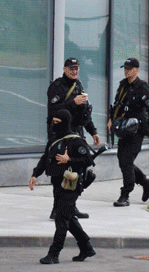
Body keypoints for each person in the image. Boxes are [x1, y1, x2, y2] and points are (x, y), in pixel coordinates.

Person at [29, 109, 96, 264]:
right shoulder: (53, 139)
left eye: (58, 122)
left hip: (71, 186)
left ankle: (54, 254)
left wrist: (69, 160)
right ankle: (86, 247)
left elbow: (88, 160)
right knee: (68, 217)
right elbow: (45, 158)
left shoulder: (75, 140)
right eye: (54, 121)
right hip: (58, 184)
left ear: (65, 122)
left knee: (61, 219)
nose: (54, 124)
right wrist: (35, 174)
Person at [46, 57, 100, 219]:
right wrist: (72, 102)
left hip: (77, 133)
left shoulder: (79, 86)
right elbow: (54, 110)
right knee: (59, 171)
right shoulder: (56, 87)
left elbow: (84, 113)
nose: (74, 71)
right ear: (64, 69)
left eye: (77, 68)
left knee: (78, 170)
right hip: (60, 134)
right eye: (71, 69)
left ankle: (71, 205)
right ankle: (56, 208)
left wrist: (93, 131)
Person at [107, 58, 149, 207]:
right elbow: (117, 106)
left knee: (126, 162)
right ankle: (146, 182)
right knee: (123, 160)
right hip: (123, 130)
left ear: (137, 70)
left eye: (130, 69)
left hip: (136, 130)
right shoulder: (123, 85)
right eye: (125, 69)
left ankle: (125, 194)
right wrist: (111, 120)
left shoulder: (142, 87)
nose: (127, 72)